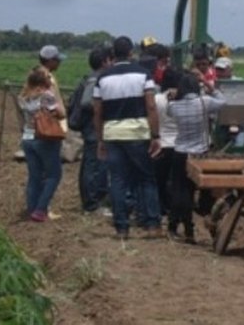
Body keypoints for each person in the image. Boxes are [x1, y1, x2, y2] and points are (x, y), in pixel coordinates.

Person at [93, 36, 162, 240]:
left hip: (113, 134)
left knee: (118, 181)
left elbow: (97, 112)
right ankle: (152, 225)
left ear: (113, 54)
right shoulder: (143, 74)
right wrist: (155, 135)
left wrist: (100, 139)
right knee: (146, 178)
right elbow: (151, 106)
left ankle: (121, 228)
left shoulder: (102, 78)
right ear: (131, 53)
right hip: (138, 132)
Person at [167, 72, 227, 243]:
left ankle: (182, 227)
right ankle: (198, 224)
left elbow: (169, 106)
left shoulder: (173, 107)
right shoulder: (204, 102)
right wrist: (208, 84)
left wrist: (173, 96)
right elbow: (223, 102)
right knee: (198, 190)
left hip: (180, 152)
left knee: (181, 191)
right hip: (200, 154)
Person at [17, 66, 66, 222]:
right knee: (53, 175)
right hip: (44, 137)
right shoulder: (46, 96)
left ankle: (32, 208)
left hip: (27, 138)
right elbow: (61, 113)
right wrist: (53, 92)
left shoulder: (23, 97)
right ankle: (41, 209)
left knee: (34, 176)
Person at [74, 47, 113, 215]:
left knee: (91, 163)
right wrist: (102, 108)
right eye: (110, 60)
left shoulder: (93, 77)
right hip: (93, 127)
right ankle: (91, 204)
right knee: (93, 165)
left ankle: (91, 200)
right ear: (104, 62)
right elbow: (86, 102)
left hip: (91, 126)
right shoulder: (96, 79)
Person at [152, 67, 181, 217]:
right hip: (179, 144)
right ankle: (174, 207)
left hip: (162, 143)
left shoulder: (157, 99)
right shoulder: (184, 99)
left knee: (160, 179)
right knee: (176, 179)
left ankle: (161, 207)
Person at [38, 45, 68, 132]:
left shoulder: (38, 74)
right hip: (48, 127)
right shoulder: (46, 78)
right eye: (57, 60)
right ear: (50, 61)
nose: (59, 62)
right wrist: (61, 112)